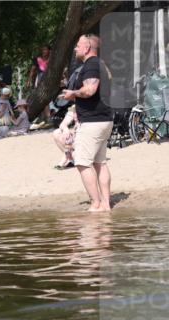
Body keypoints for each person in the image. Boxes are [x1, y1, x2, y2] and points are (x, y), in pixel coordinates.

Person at [61, 33, 113, 212]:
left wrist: (73, 93)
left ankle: (96, 204)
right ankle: (106, 204)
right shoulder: (101, 64)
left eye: (78, 45)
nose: (75, 48)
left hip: (93, 122)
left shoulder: (91, 65)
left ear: (87, 48)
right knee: (100, 162)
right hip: (104, 119)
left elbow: (90, 90)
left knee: (82, 162)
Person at [52, 104, 77, 169]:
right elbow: (63, 124)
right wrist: (66, 129)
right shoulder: (73, 107)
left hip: (87, 134)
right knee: (57, 132)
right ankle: (68, 156)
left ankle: (71, 157)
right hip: (77, 133)